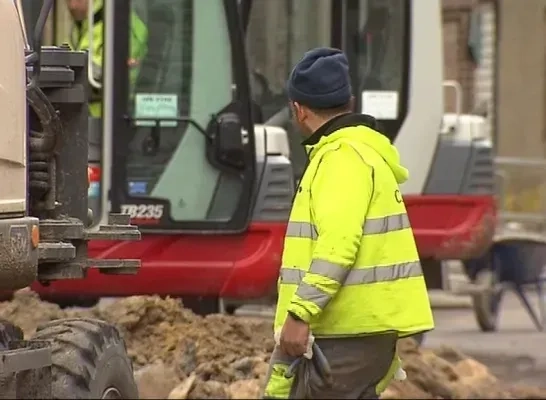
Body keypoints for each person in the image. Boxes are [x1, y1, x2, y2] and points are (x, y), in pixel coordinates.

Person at [262, 47, 435, 399]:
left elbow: (338, 247)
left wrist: (300, 313)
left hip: (344, 332)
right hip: (358, 331)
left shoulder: (341, 159)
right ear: (350, 101)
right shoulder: (363, 153)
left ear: (298, 110)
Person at [65, 0, 148, 117]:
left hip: (113, 117)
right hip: (88, 117)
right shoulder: (83, 26)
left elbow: (106, 75)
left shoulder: (121, 23)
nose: (72, 5)